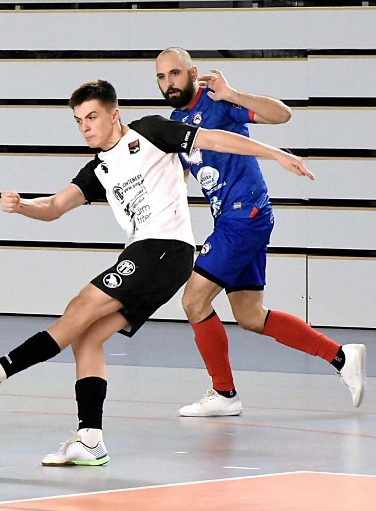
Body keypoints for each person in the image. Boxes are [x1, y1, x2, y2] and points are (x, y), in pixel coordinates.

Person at [0, 79, 315, 467]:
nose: (85, 126)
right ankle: (90, 438)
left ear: (113, 114)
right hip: (149, 257)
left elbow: (217, 140)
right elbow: (54, 206)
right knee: (86, 337)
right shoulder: (98, 169)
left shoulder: (150, 132)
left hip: (164, 249)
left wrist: (276, 154)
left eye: (92, 117)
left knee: (82, 305)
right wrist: (23, 206)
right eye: (78, 121)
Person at [155, 47, 366, 417]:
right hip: (233, 220)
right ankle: (341, 357)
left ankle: (224, 393)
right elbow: (188, 170)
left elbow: (282, 114)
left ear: (192, 72)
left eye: (174, 73)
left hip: (244, 216)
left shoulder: (219, 102)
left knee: (193, 301)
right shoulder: (176, 120)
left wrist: (234, 93)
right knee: (251, 316)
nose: (168, 83)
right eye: (161, 77)